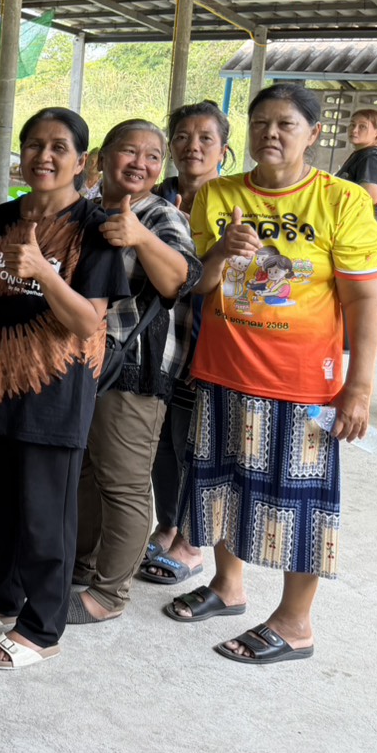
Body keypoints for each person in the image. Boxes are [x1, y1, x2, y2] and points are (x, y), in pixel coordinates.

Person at [165, 84, 377, 666]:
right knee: (221, 487)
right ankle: (227, 586)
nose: (272, 133)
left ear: (313, 134)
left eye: (286, 123)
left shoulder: (342, 202)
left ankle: (295, 623)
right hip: (223, 371)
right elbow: (201, 286)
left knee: (301, 502)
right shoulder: (218, 195)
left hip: (304, 383)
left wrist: (358, 388)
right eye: (261, 122)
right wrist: (220, 255)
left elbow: (363, 302)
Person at [0, 107, 128, 670]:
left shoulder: (94, 228)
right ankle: (3, 598)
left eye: (58, 147)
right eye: (33, 145)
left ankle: (43, 627)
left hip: (55, 391)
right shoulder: (0, 217)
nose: (43, 157)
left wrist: (45, 273)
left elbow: (87, 323)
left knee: (45, 516)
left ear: (82, 160)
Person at [70, 120, 200, 624]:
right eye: (130, 151)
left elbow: (179, 281)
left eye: (152, 156)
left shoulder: (161, 215)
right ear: (102, 157)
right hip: (77, 364)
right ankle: (82, 565)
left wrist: (141, 237)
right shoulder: (82, 209)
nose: (140, 163)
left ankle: (109, 595)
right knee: (83, 472)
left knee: (122, 482)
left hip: (133, 370)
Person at [145, 100, 232, 583]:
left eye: (204, 138)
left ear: (223, 148)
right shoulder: (155, 196)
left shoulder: (235, 203)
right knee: (160, 440)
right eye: (182, 137)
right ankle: (169, 523)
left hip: (211, 342)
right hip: (160, 342)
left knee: (192, 442)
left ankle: (192, 540)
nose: (192, 146)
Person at [336, 108, 377, 248]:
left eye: (362, 126)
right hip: (359, 229)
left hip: (364, 231)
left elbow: (370, 196)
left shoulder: (372, 157)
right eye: (352, 125)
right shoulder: (363, 153)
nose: (354, 130)